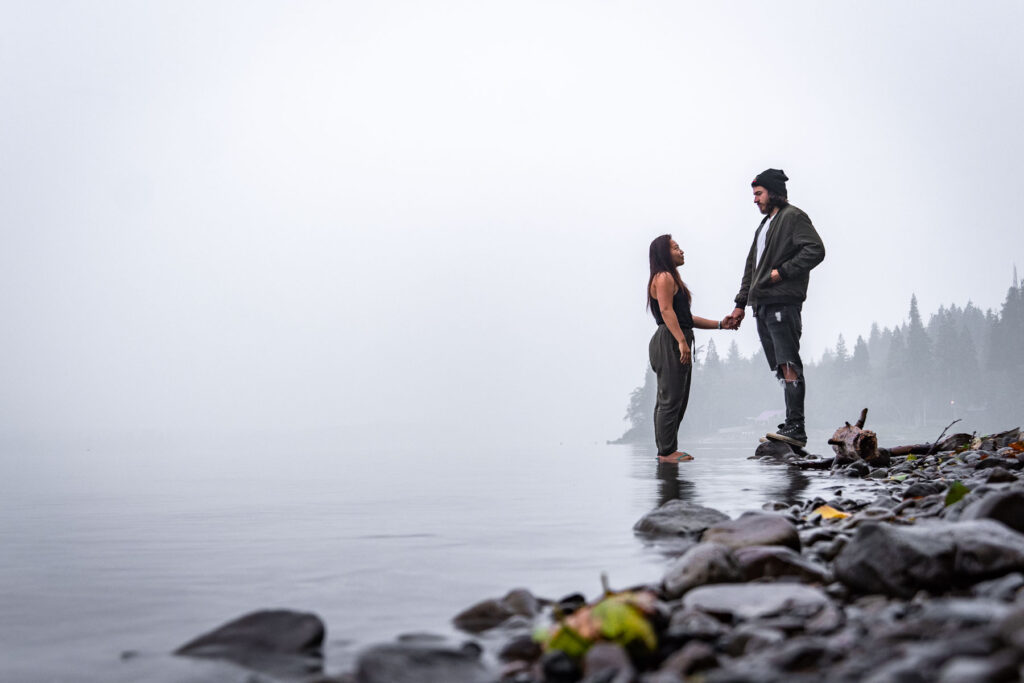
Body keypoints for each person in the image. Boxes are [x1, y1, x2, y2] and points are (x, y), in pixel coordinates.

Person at [723, 169, 825, 448]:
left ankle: (797, 427)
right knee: (780, 366)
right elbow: (751, 269)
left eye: (759, 194)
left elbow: (815, 249)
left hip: (783, 301)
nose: (755, 200)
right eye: (754, 195)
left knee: (789, 362)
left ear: (773, 192)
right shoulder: (764, 225)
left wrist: (782, 272)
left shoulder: (793, 217)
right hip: (762, 305)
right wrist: (739, 305)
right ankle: (791, 422)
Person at [648, 234, 731, 462]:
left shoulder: (671, 279)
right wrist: (681, 342)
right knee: (670, 398)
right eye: (675, 248)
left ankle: (667, 448)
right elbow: (666, 312)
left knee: (677, 397)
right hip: (670, 340)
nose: (681, 251)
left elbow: (685, 317)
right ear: (664, 253)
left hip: (676, 336)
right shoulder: (664, 276)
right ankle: (666, 452)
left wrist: (720, 325)